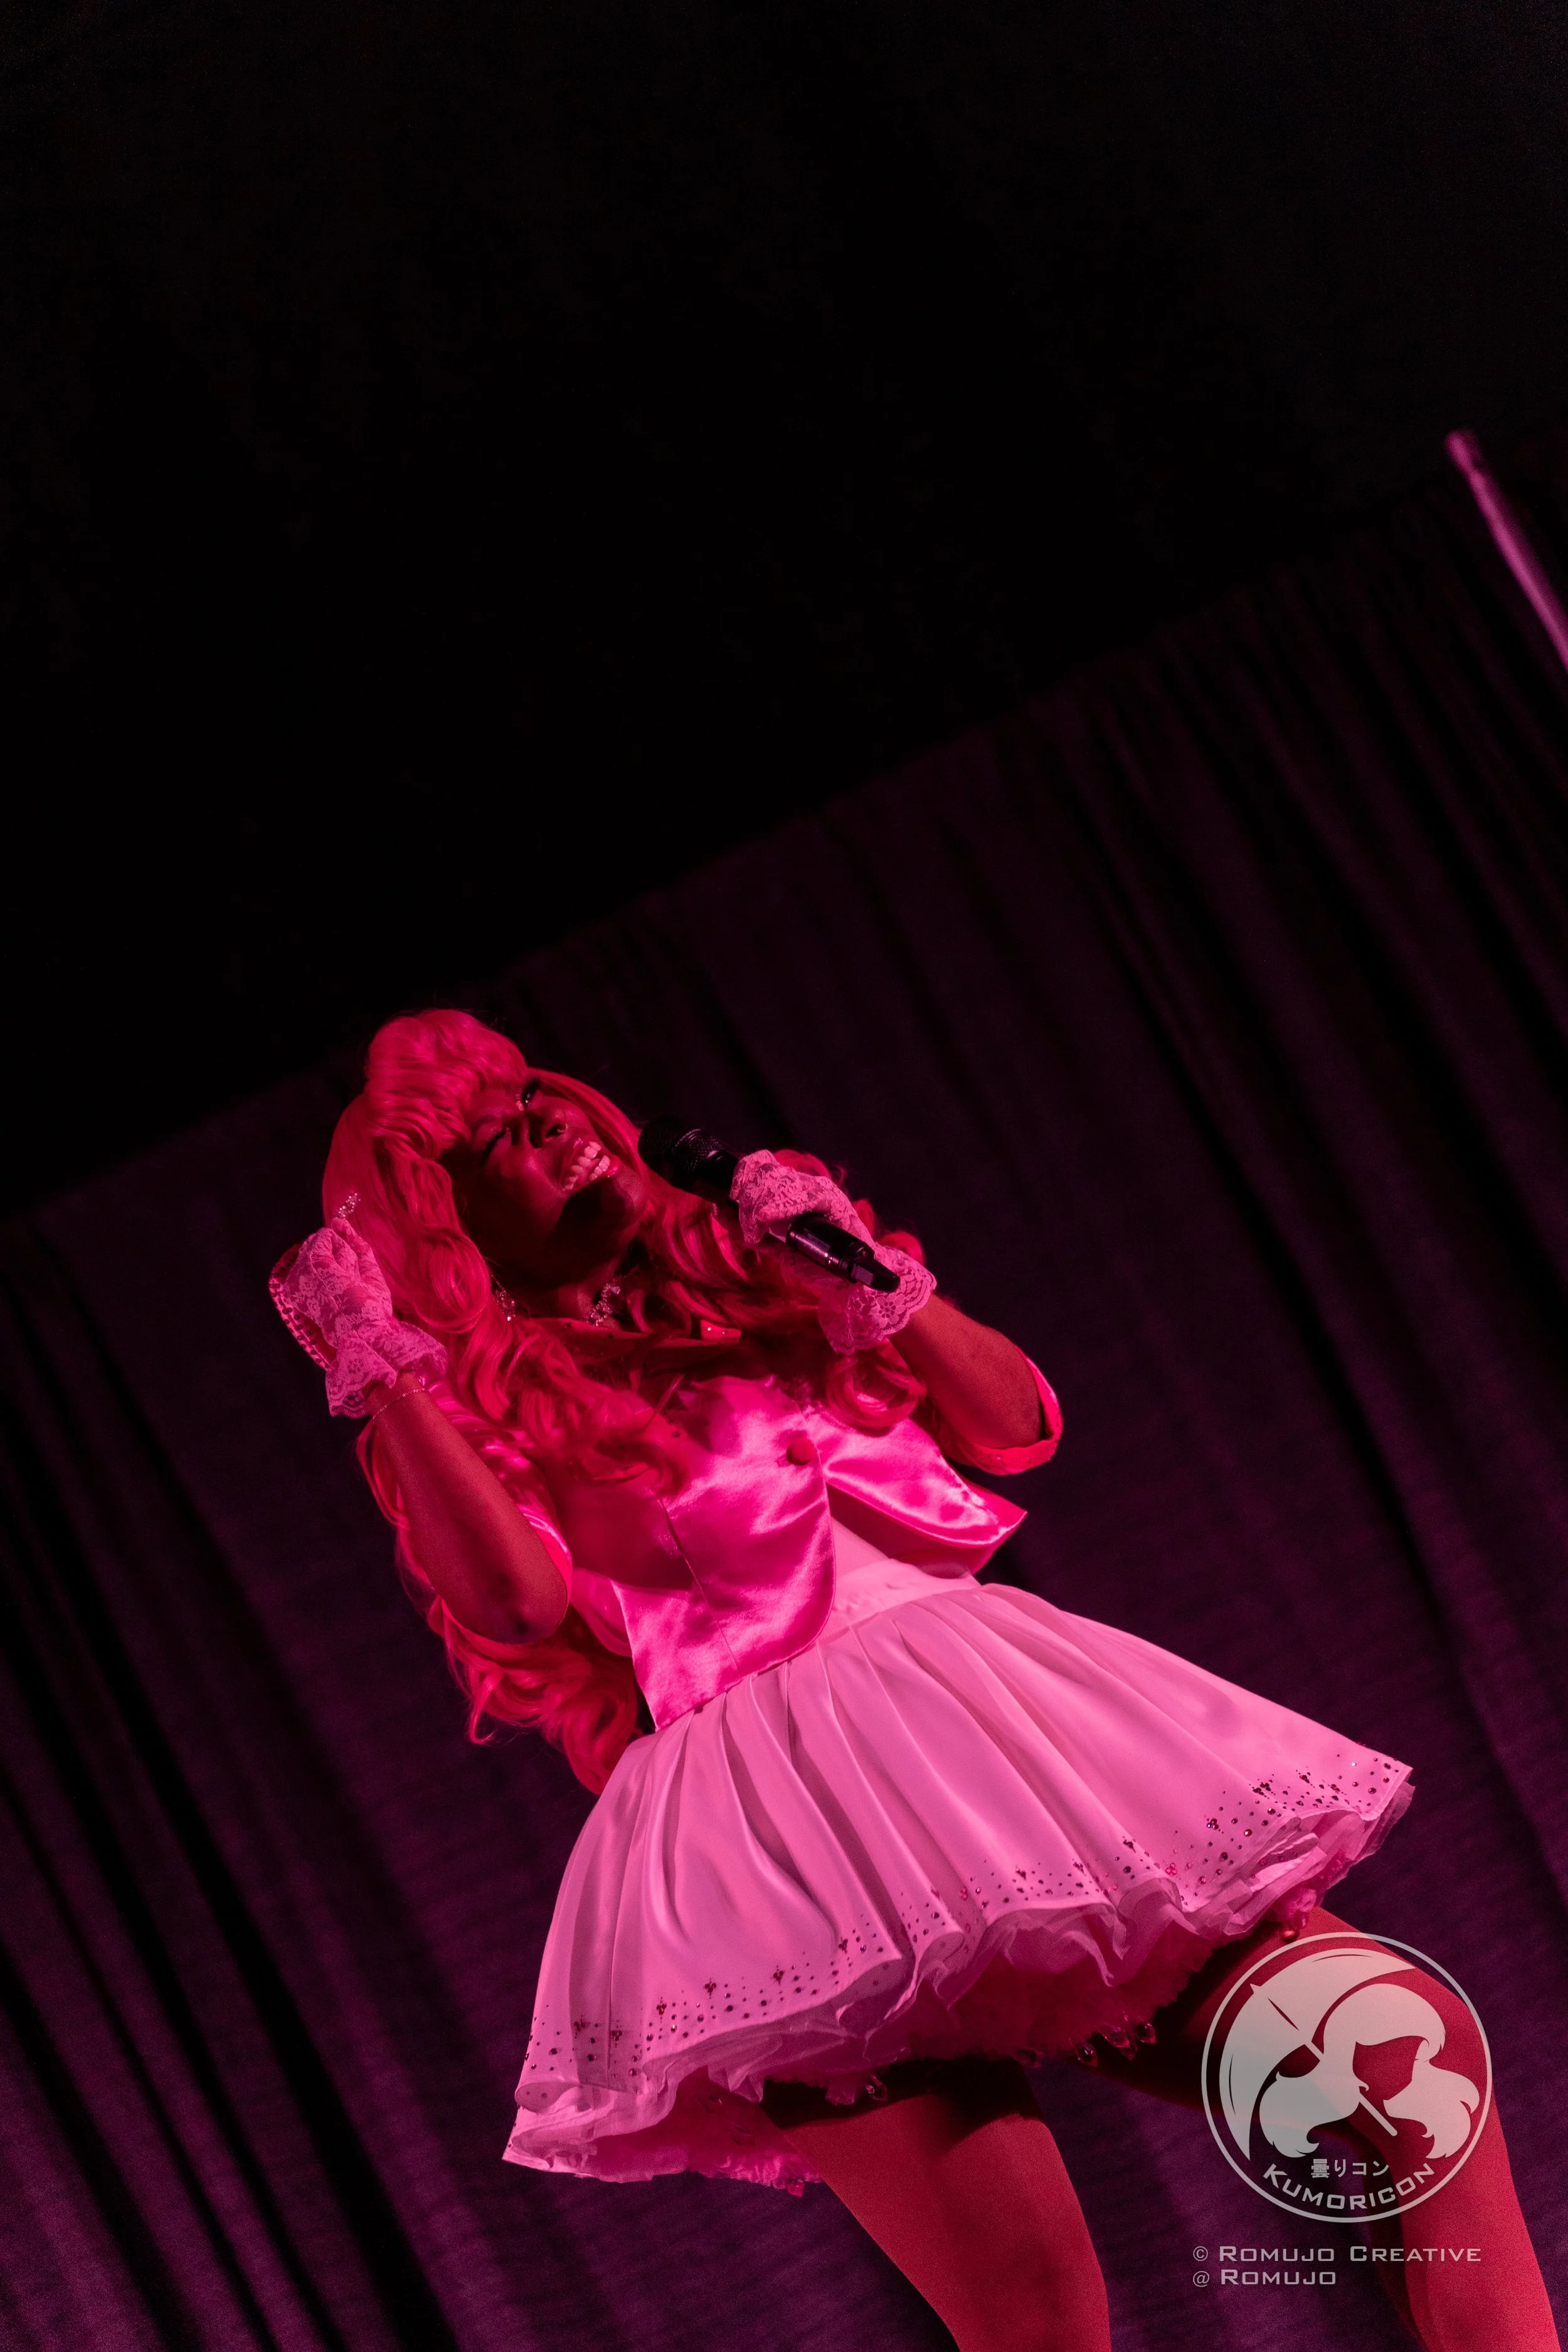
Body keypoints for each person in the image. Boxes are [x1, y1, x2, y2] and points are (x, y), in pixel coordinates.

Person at [272, 1009, 1559, 2352]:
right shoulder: (481, 1405)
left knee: (1408, 2060)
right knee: (1036, 2315)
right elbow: (513, 1603)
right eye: (492, 1145)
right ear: (450, 1235)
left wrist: (859, 1265)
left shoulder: (762, 1274)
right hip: (786, 1847)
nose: (543, 1125)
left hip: (1002, 1755)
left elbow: (1013, 1424)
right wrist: (385, 1372)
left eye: (533, 1093)